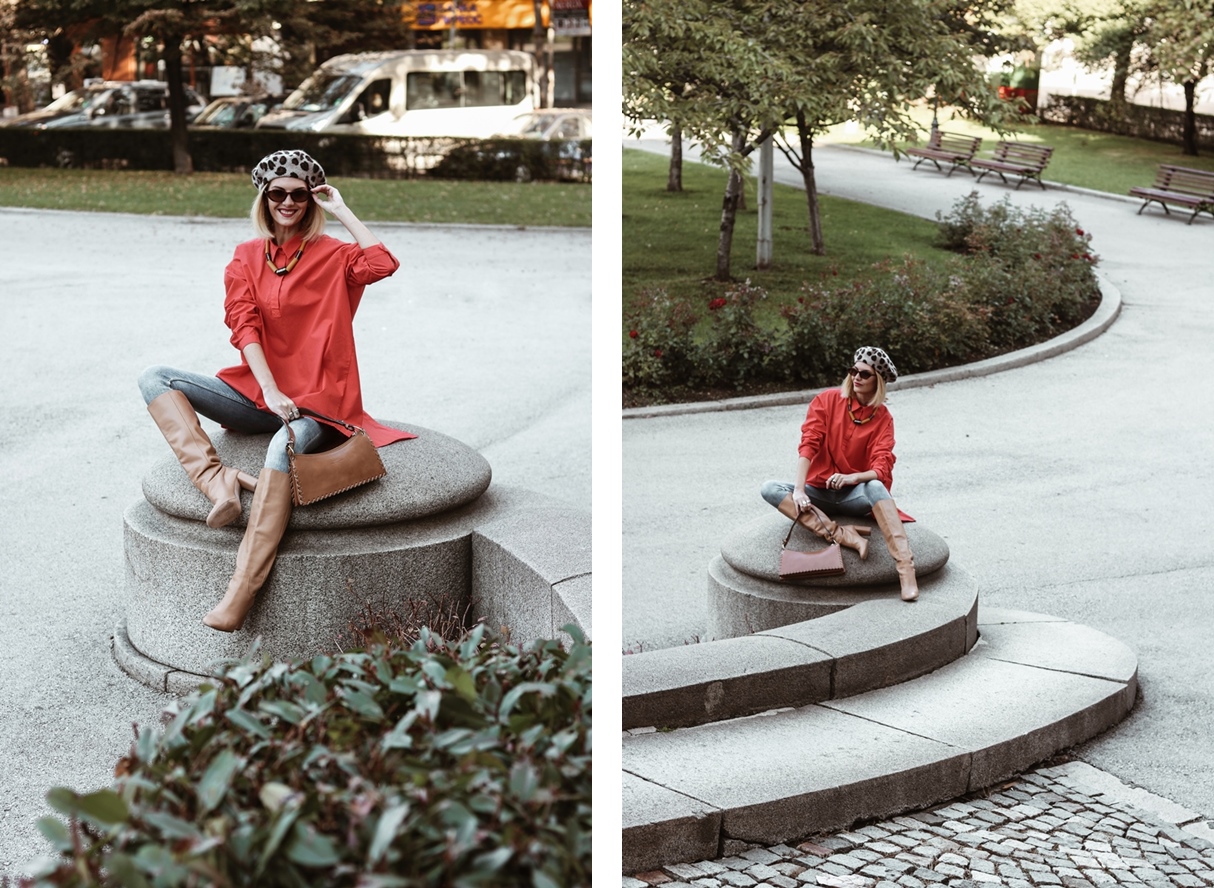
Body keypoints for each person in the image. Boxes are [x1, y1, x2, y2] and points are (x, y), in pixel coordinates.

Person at [138, 149, 414, 632]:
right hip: (262, 393)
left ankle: (240, 593)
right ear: (264, 198)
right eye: (278, 193)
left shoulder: (334, 255)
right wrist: (268, 390)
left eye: (299, 195)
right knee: (154, 377)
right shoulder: (246, 256)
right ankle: (216, 481)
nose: (288, 202)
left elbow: (383, 263)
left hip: (318, 401)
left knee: (278, 449)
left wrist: (342, 210)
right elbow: (243, 327)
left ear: (310, 201)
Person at [760, 346, 918, 601]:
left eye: (864, 374)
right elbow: (808, 444)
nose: (856, 377)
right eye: (853, 371)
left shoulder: (883, 418)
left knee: (877, 488)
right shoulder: (827, 401)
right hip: (818, 492)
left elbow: (882, 467)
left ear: (877, 380)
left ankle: (906, 570)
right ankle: (844, 535)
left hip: (852, 496)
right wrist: (799, 490)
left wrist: (852, 478)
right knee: (770, 488)